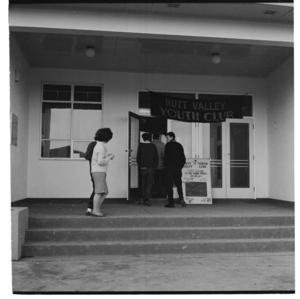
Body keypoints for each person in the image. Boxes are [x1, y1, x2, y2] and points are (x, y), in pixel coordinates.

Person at [91, 128, 115, 217]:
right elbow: (101, 162)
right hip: (99, 171)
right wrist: (110, 157)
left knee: (104, 192)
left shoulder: (99, 146)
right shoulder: (101, 147)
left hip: (98, 171)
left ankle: (96, 209)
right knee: (100, 191)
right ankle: (95, 210)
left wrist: (107, 156)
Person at [164, 132, 186, 208]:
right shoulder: (179, 145)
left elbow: (166, 157)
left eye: (167, 137)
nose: (166, 139)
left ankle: (171, 202)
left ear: (171, 137)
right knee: (179, 184)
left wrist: (166, 166)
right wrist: (180, 166)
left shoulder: (168, 145)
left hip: (169, 168)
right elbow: (183, 158)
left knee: (169, 185)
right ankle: (181, 199)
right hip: (177, 168)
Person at [136, 132, 158, 206]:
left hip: (143, 167)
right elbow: (156, 157)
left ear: (143, 138)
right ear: (149, 138)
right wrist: (156, 165)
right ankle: (147, 199)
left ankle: (142, 199)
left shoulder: (141, 146)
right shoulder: (153, 146)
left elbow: (138, 157)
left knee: (143, 183)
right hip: (151, 167)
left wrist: (140, 165)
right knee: (149, 184)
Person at [84, 139, 97, 216]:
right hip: (95, 170)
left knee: (97, 189)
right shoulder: (94, 144)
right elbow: (87, 156)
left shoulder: (96, 144)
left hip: (97, 171)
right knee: (97, 189)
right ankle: (90, 208)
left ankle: (92, 208)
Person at [151, 133, 165, 198]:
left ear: (152, 137)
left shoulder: (150, 143)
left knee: (151, 178)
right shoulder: (162, 144)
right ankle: (158, 192)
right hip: (159, 164)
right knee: (158, 178)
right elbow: (163, 154)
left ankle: (151, 191)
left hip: (150, 164)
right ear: (158, 137)